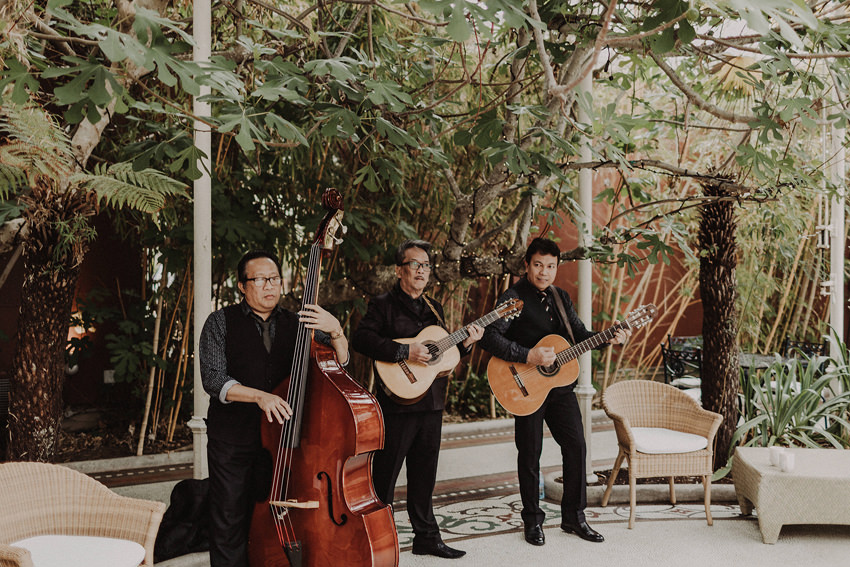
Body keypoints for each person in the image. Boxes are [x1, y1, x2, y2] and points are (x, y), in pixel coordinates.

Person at [199, 250, 350, 567]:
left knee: (277, 512)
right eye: (260, 279)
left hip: (285, 441)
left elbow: (340, 362)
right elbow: (213, 379)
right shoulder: (219, 322)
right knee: (229, 515)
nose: (270, 286)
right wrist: (259, 396)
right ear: (242, 286)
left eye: (275, 279)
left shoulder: (299, 323)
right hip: (233, 438)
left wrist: (336, 330)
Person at [479, 237, 630, 547]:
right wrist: (527, 355)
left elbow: (579, 336)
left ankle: (575, 518)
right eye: (538, 265)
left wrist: (610, 337)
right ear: (526, 265)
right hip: (523, 387)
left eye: (550, 266)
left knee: (576, 446)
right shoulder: (513, 298)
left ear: (556, 267)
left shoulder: (561, 298)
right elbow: (489, 338)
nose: (544, 272)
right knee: (530, 454)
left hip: (559, 389)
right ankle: (532, 521)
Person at [351, 239, 484, 560]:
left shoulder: (434, 306)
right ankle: (372, 539)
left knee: (425, 476)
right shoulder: (382, 304)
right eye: (415, 264)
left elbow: (443, 353)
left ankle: (426, 537)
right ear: (399, 270)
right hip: (397, 405)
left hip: (431, 404)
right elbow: (361, 339)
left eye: (426, 266)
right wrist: (405, 350)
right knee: (384, 476)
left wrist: (467, 344)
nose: (422, 271)